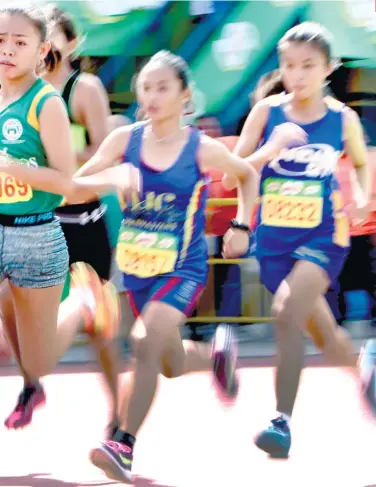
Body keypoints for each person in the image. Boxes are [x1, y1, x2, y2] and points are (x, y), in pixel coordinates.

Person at [64, 50, 260, 483]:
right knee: (167, 361)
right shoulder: (123, 142)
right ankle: (213, 356)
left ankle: (124, 444)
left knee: (145, 340)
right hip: (136, 270)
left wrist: (243, 226)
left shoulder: (201, 149)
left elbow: (247, 175)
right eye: (145, 87)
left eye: (162, 87)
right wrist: (113, 179)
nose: (151, 96)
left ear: (185, 95)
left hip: (183, 269)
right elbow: (76, 187)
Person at [230, 22, 374, 458]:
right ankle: (365, 369)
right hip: (274, 242)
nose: (298, 74)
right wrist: (240, 221)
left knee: (286, 313)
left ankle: (281, 421)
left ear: (329, 68)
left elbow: (362, 165)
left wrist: (363, 199)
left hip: (324, 237)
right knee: (325, 335)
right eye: (290, 65)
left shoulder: (342, 118)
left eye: (309, 66)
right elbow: (235, 169)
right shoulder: (267, 113)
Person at [0, 6, 122, 435]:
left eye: (23, 41)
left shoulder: (78, 89)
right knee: (8, 308)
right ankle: (32, 381)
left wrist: (38, 163)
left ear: (61, 44)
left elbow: (102, 152)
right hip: (22, 221)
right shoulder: (11, 93)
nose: (11, 49)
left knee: (100, 337)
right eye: (4, 40)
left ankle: (119, 419)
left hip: (79, 221)